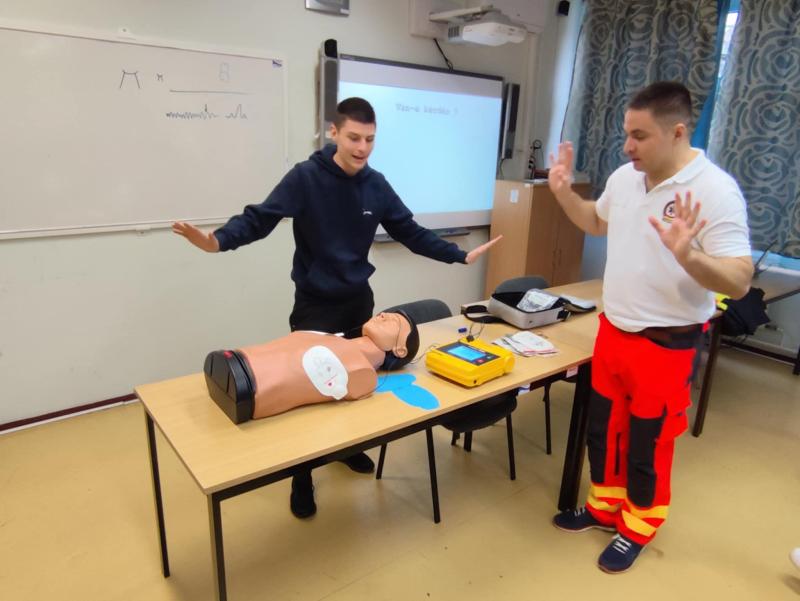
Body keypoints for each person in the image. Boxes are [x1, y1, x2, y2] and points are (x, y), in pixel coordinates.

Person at [173, 97, 500, 518]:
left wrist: (458, 255)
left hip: (358, 304)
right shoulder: (306, 177)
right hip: (314, 307)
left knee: (356, 385)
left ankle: (347, 449)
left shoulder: (376, 185)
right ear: (334, 133)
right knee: (307, 398)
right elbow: (260, 218)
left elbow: (410, 231)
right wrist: (216, 241)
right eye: (354, 138)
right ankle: (302, 477)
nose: (362, 148)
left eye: (370, 139)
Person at [548, 81, 753, 573]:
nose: (627, 146)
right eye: (626, 133)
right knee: (604, 431)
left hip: (667, 345)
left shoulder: (715, 191)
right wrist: (562, 193)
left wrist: (688, 254)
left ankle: (639, 525)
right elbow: (595, 222)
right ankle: (604, 508)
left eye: (639, 136)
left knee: (648, 442)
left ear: (677, 132)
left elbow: (739, 280)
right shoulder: (625, 178)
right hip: (613, 332)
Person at [205, 310, 419, 420]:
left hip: (249, 388)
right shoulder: (339, 340)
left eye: (394, 322)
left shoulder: (364, 374)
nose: (383, 314)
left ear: (400, 349)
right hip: (238, 361)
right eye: (385, 313)